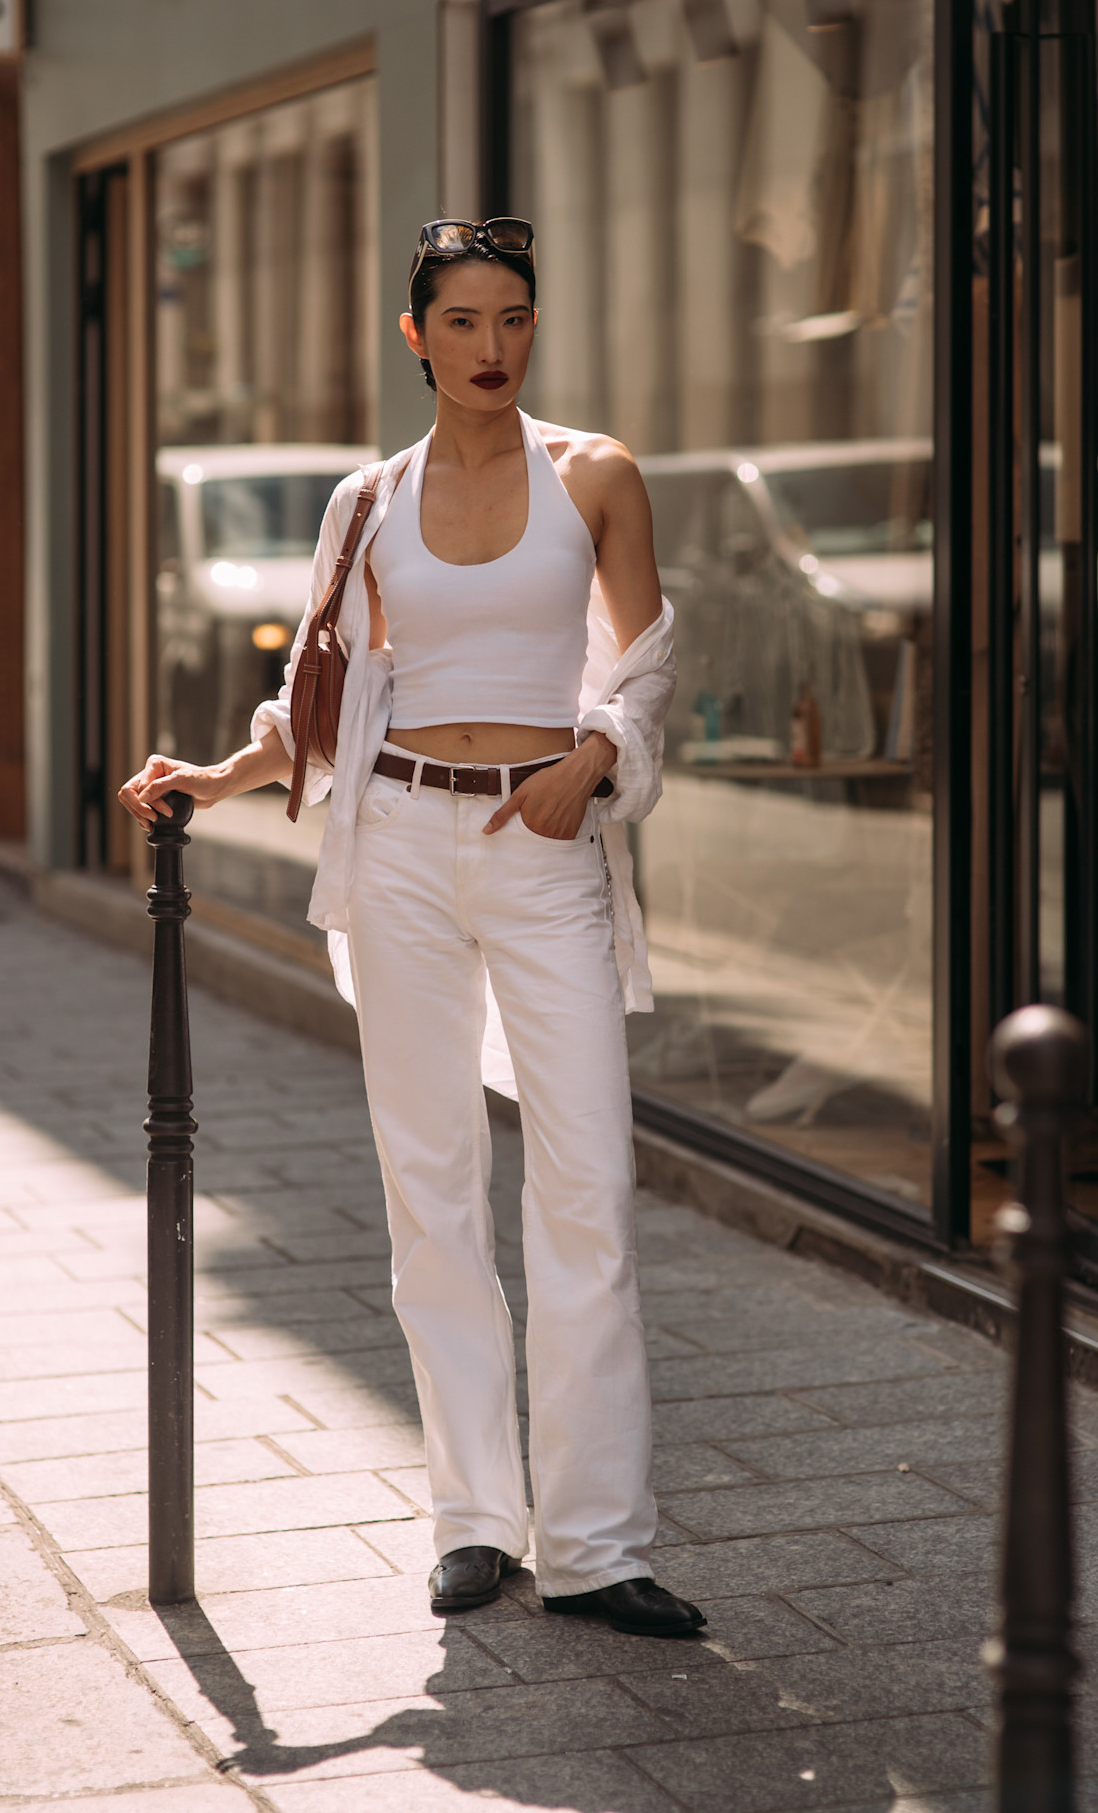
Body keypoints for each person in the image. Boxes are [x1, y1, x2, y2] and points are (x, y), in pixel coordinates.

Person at [119, 218, 702, 1638]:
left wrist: (598, 755)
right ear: (417, 336)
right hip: (396, 848)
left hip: (540, 840)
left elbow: (651, 658)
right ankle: (472, 1519)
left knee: (586, 1185)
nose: (491, 348)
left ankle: (598, 1544)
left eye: (514, 319)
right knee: (431, 1183)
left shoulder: (597, 476)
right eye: (463, 322)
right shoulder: (367, 501)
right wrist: (218, 773)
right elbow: (321, 697)